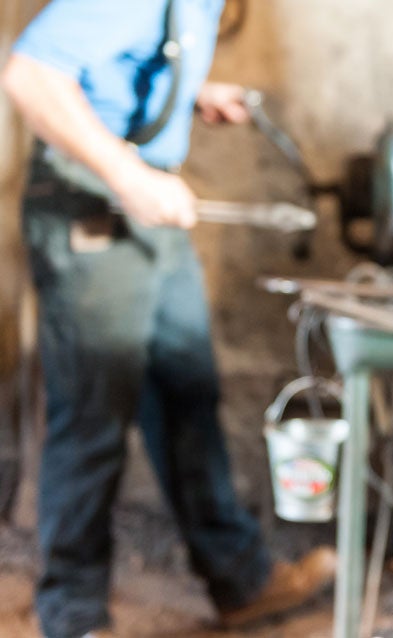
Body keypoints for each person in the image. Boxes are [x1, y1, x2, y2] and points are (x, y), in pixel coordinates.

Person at [1, 2, 335, 636]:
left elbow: (111, 66)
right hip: (95, 204)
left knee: (187, 395)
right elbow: (31, 74)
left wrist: (188, 95)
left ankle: (240, 580)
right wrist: (129, 175)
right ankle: (70, 615)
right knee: (92, 413)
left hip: (149, 201)